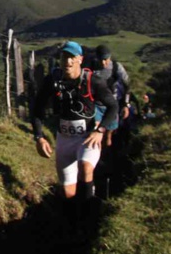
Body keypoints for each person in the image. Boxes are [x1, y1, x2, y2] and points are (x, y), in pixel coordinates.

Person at [31, 41, 119, 215]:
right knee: (67, 192)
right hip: (64, 138)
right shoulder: (53, 81)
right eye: (64, 57)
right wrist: (39, 137)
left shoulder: (93, 81)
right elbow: (37, 109)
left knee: (85, 167)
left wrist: (100, 131)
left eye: (72, 57)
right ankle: (72, 222)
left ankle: (89, 217)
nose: (67, 62)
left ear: (80, 59)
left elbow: (113, 106)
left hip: (87, 137)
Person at [92, 44, 131, 149]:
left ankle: (108, 155)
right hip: (96, 104)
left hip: (112, 104)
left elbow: (127, 85)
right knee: (97, 131)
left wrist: (126, 104)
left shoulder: (116, 67)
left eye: (106, 59)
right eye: (101, 59)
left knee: (109, 133)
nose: (104, 62)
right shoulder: (91, 67)